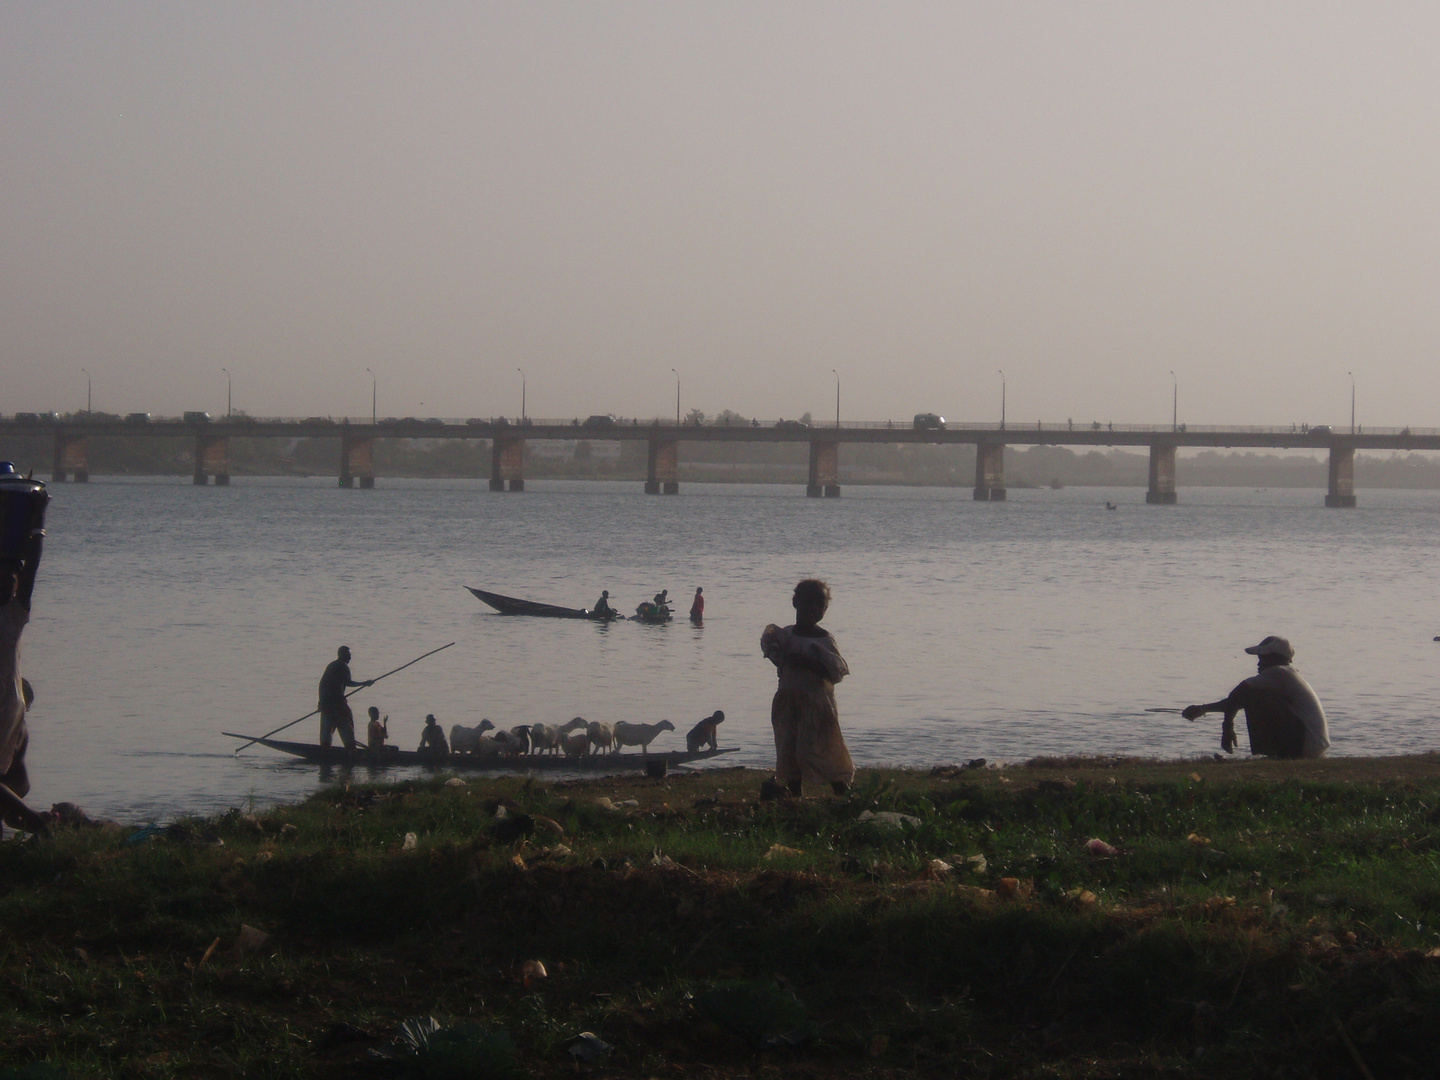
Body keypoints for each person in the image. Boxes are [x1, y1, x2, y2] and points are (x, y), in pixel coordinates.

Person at [760, 579, 854, 797]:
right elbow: (777, 659)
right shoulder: (783, 636)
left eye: (820, 605)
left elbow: (835, 673)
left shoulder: (824, 640)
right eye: (809, 603)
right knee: (789, 751)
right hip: (788, 702)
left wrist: (808, 663)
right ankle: (795, 797)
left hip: (817, 705)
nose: (814, 609)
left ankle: (843, 794)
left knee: (823, 751)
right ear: (795, 603)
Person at [1182, 636, 1330, 759]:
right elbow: (1236, 700)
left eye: (1262, 658)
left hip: (1306, 746)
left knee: (1255, 696)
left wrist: (1226, 726)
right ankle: (1277, 754)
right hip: (1315, 747)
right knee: (1253, 694)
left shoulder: (1277, 672)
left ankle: (1276, 755)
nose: (1259, 664)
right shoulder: (1288, 674)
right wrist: (1202, 709)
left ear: (1274, 658)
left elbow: (1238, 694)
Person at [0, 503, 54, 833]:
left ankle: (37, 824)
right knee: (13, 782)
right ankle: (29, 820)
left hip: (5, 704)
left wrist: (37, 524)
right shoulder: (14, 610)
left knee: (13, 783)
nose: (6, 583)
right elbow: (28, 567)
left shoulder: (14, 611)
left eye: (9, 578)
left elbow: (32, 564)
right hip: (12, 701)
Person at [317, 646, 372, 751]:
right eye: (348, 655)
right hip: (338, 706)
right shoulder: (343, 667)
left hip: (327, 706)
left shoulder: (331, 666)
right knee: (347, 730)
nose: (350, 658)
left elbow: (322, 684)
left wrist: (321, 702)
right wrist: (364, 683)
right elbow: (348, 682)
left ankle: (325, 750)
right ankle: (350, 751)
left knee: (326, 734)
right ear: (342, 655)